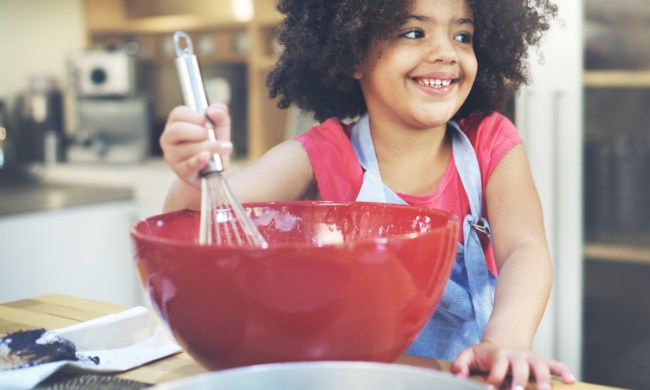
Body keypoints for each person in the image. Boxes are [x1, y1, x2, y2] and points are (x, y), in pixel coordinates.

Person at [160, 0, 577, 388]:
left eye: (462, 36)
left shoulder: (490, 142)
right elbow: (203, 215)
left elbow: (525, 248)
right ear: (355, 52)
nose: (447, 52)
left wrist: (506, 341)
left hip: (465, 377)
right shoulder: (322, 154)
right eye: (414, 33)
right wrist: (198, 176)